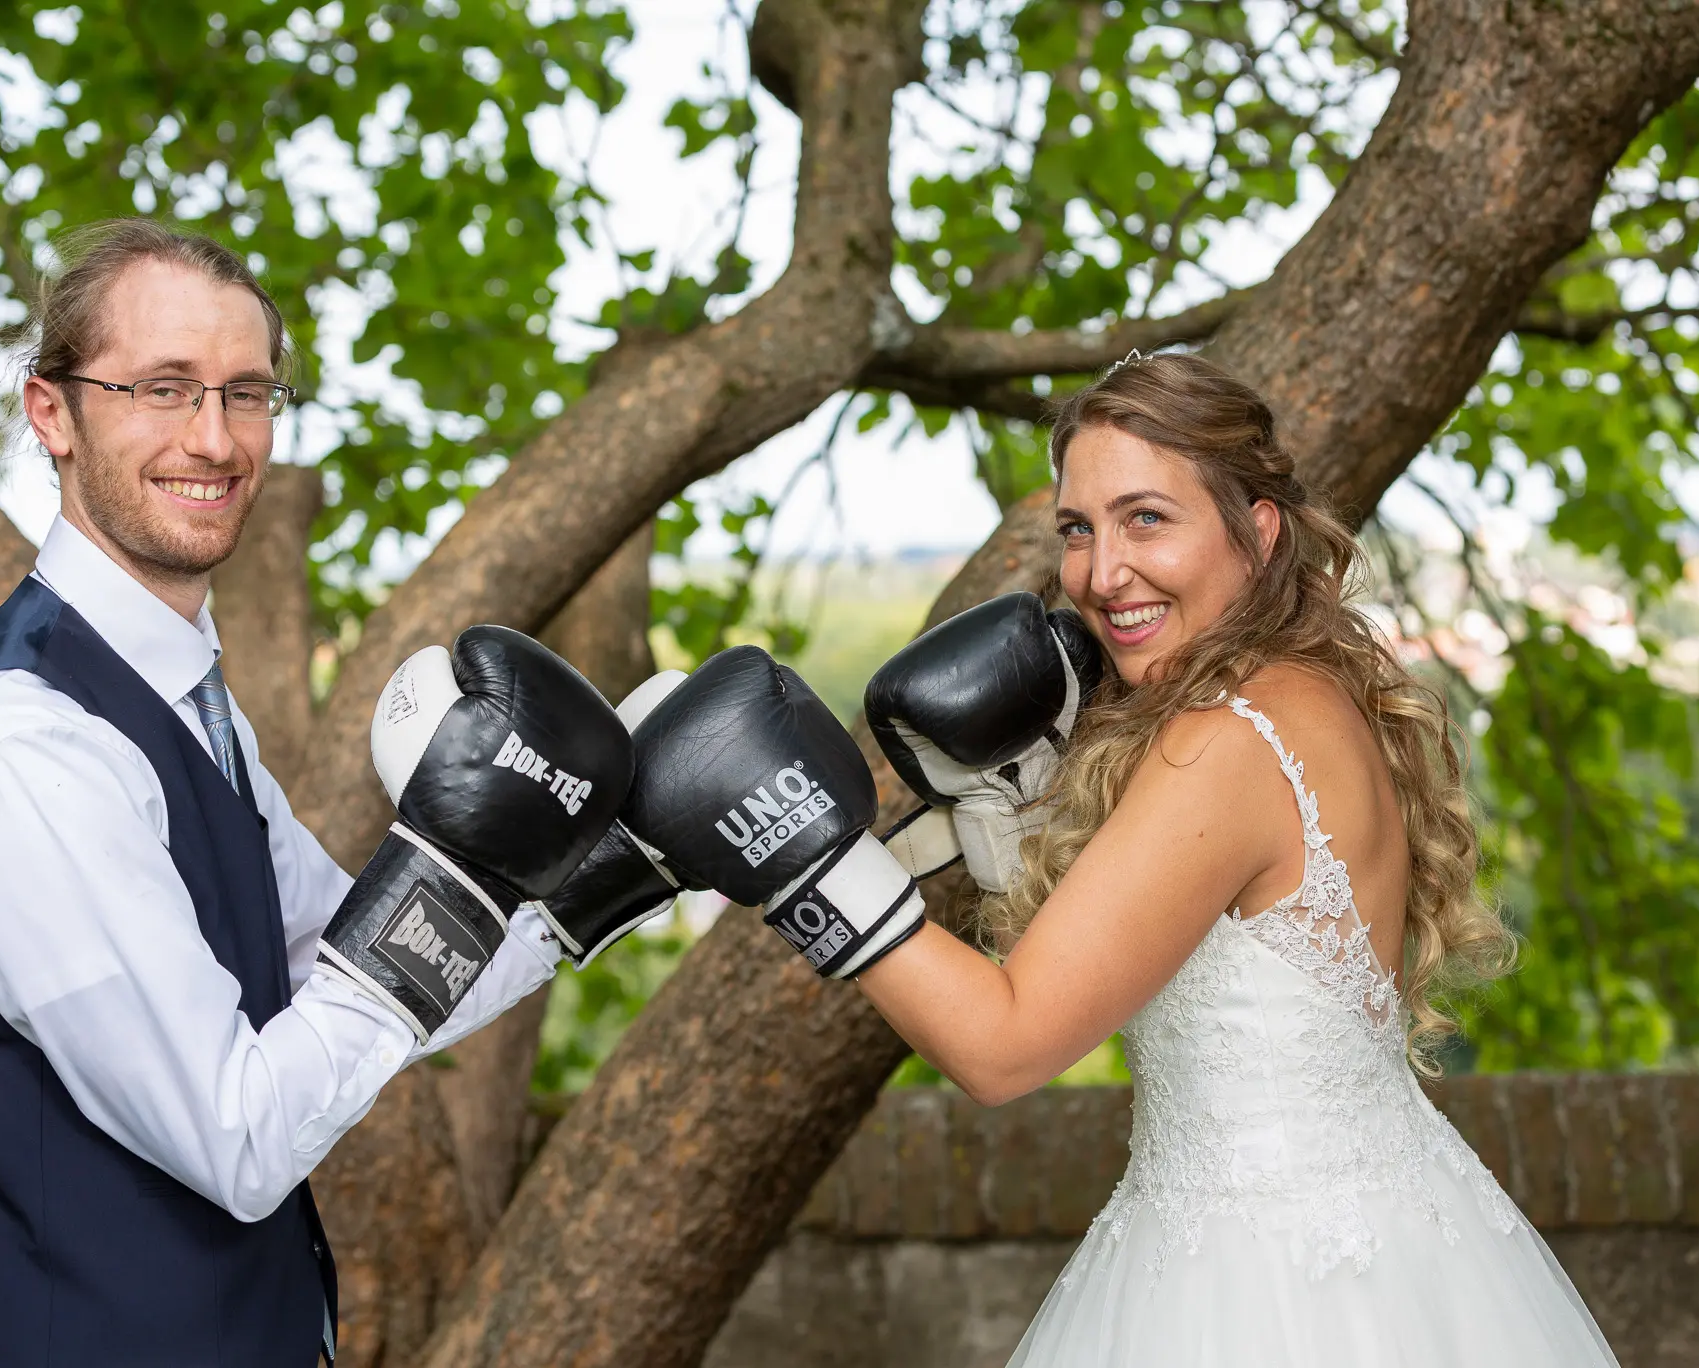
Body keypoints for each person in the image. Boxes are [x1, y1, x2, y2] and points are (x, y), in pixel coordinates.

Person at [597, 352, 1620, 1365]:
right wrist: (1013, 823)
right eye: (1079, 529)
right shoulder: (1306, 694)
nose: (1098, 573)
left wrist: (807, 866)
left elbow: (1004, 1049)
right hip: (1383, 1239)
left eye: (1147, 519)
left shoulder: (1223, 743)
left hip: (1259, 1290)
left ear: (1256, 533)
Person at [0, 219, 643, 1368]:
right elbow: (239, 1135)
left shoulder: (182, 699)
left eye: (246, 392)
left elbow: (341, 966)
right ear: (51, 413)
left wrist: (618, 868)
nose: (215, 439)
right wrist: (449, 865)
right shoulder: (22, 748)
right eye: (163, 388)